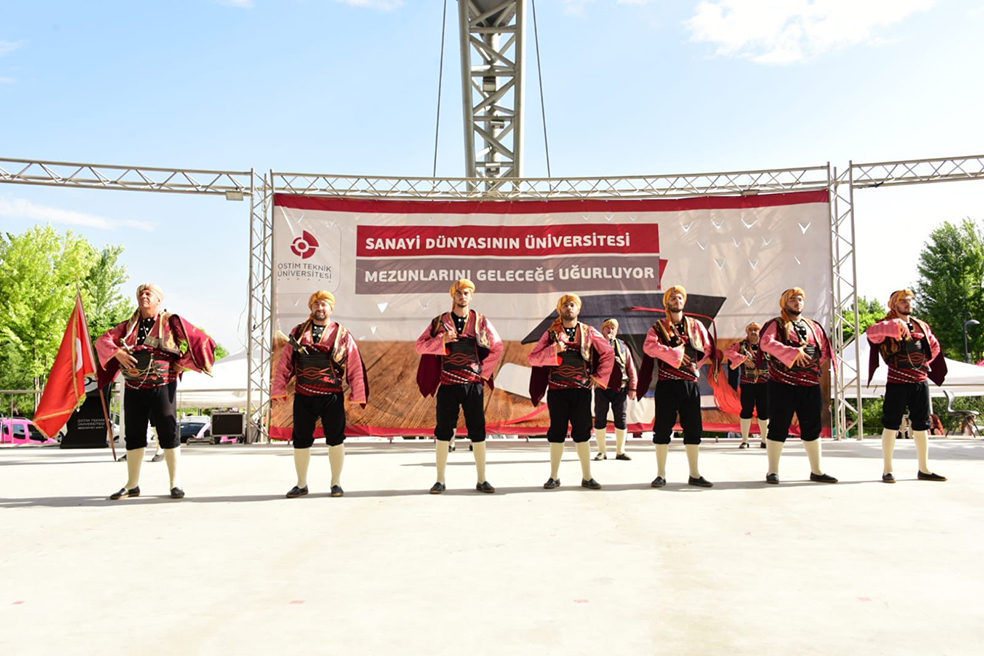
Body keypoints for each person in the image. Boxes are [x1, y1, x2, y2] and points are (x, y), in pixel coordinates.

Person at [96, 283, 215, 499]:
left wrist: (183, 363)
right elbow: (102, 341)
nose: (144, 296)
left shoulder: (171, 322)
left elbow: (203, 341)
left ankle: (175, 484)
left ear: (159, 300)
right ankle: (132, 485)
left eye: (148, 293)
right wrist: (118, 353)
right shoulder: (127, 326)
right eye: (141, 293)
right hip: (133, 385)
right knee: (133, 433)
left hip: (163, 384)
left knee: (168, 430)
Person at [273, 291, 368, 498]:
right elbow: (285, 363)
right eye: (316, 304)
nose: (320, 307)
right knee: (301, 439)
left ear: (331, 308)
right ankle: (301, 484)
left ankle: (336, 483)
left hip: (332, 396)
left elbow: (354, 364)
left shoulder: (342, 334)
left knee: (336, 438)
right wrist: (278, 388)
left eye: (324, 304)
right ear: (311, 307)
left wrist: (358, 393)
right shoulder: (298, 332)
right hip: (304, 395)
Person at [415, 279, 503, 494]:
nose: (462, 296)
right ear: (452, 296)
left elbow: (497, 347)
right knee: (443, 432)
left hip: (473, 385)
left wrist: (483, 373)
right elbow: (420, 346)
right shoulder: (439, 322)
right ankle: (440, 480)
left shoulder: (481, 321)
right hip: (448, 385)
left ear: (471, 296)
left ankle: (482, 479)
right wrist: (442, 340)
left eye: (466, 293)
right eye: (459, 293)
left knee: (478, 432)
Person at [529, 294, 613, 490]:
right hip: (557, 390)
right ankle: (554, 476)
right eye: (565, 305)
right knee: (557, 432)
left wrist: (599, 377)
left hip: (581, 390)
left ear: (579, 309)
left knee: (583, 433)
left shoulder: (589, 331)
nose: (569, 308)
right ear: (560, 309)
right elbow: (533, 358)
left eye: (572, 304)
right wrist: (553, 350)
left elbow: (608, 352)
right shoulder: (550, 334)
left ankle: (587, 476)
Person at [866, 289, 947, 483]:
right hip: (897, 382)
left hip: (919, 381)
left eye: (909, 300)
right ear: (893, 304)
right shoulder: (884, 324)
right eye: (903, 300)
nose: (908, 303)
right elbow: (871, 333)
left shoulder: (921, 325)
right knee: (891, 424)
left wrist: (924, 362)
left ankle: (924, 469)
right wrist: (895, 323)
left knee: (922, 425)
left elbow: (934, 345)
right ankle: (887, 470)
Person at [639, 286, 715, 488]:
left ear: (684, 301)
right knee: (662, 429)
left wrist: (695, 365)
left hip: (690, 383)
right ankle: (661, 474)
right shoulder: (657, 327)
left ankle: (695, 474)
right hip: (667, 385)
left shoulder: (696, 325)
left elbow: (708, 348)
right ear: (667, 302)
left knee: (693, 429)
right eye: (673, 297)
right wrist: (676, 355)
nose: (677, 300)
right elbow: (649, 347)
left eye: (680, 297)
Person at [759, 288, 837, 484]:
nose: (797, 302)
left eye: (800, 299)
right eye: (793, 299)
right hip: (781, 385)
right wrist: (793, 354)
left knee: (812, 427)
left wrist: (809, 366)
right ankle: (772, 471)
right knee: (778, 426)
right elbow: (765, 344)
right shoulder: (775, 324)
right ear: (784, 302)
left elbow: (825, 351)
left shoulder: (814, 326)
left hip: (810, 384)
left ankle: (817, 471)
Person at [593, 318, 638, 461]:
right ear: (602, 329)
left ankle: (620, 451)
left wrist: (633, 387)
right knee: (600, 418)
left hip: (621, 388)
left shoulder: (624, 347)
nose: (610, 330)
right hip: (601, 387)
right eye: (607, 327)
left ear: (616, 330)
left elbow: (631, 367)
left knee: (621, 418)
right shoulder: (595, 346)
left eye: (613, 328)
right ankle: (602, 451)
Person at [725, 322, 770, 449]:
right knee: (746, 411)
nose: (754, 332)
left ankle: (765, 440)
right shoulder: (741, 346)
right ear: (747, 332)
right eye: (751, 330)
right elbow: (728, 353)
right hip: (747, 384)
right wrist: (743, 359)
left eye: (756, 330)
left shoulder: (767, 345)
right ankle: (745, 440)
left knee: (764, 412)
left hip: (764, 383)